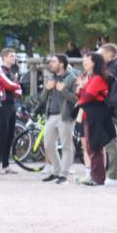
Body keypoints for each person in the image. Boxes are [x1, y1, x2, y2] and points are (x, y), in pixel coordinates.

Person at [37, 53, 79, 184]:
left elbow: (76, 99)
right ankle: (56, 171)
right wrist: (46, 89)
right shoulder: (50, 77)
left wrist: (63, 90)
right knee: (48, 145)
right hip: (51, 115)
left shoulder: (72, 78)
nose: (51, 64)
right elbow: (42, 99)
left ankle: (64, 174)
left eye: (54, 62)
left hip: (65, 116)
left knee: (67, 146)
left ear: (62, 64)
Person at [76, 52, 113, 186]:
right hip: (89, 113)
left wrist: (82, 87)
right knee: (90, 146)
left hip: (96, 113)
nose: (84, 63)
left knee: (95, 145)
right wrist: (82, 88)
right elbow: (81, 95)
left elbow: (87, 96)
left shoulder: (97, 78)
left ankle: (98, 178)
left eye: (87, 61)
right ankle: (94, 176)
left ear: (94, 62)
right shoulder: (91, 77)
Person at [0, 48, 22, 175]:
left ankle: (6, 165)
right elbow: (9, 85)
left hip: (11, 104)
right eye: (11, 56)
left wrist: (17, 88)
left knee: (10, 135)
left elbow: (18, 91)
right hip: (1, 105)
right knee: (2, 134)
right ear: (4, 57)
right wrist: (16, 87)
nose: (14, 58)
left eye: (14, 55)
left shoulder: (12, 71)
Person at [99, 43, 117, 186]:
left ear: (111, 54)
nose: (100, 56)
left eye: (102, 53)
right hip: (106, 107)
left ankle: (113, 174)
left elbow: (108, 84)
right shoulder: (110, 68)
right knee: (108, 141)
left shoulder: (115, 69)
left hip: (110, 108)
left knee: (111, 141)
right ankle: (109, 172)